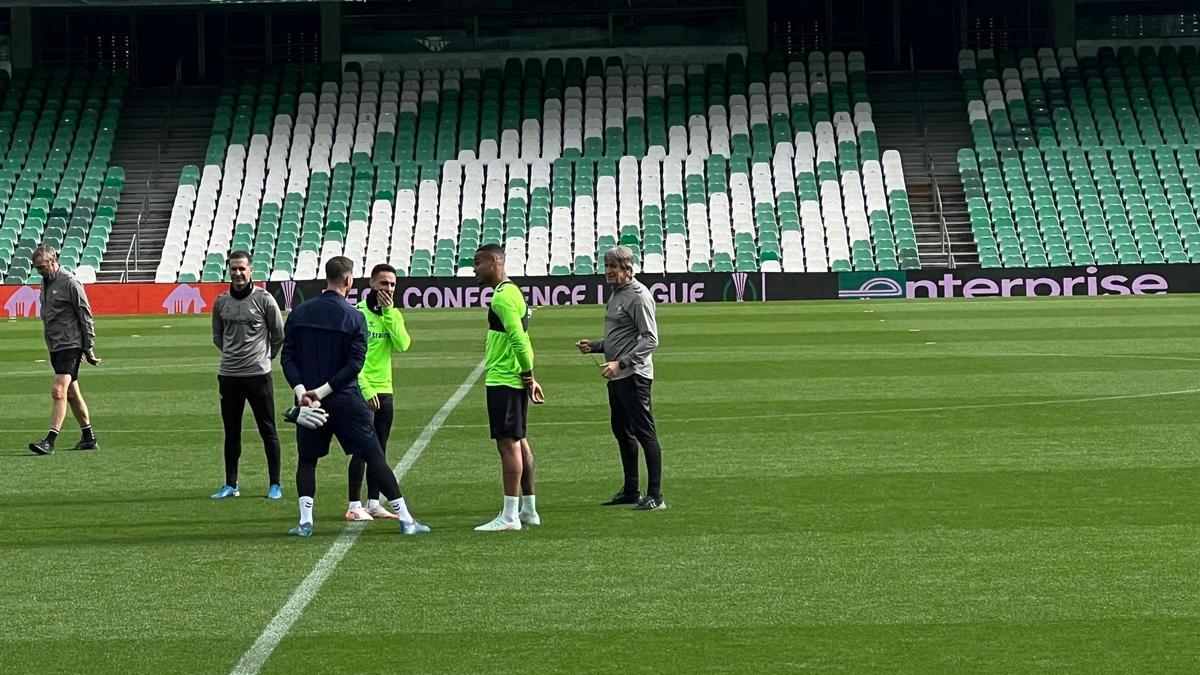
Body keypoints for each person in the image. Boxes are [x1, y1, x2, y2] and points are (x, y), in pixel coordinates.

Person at [279, 256, 428, 537]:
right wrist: (323, 390)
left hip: (311, 404)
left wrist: (303, 393)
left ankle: (305, 521)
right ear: (349, 280)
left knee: (307, 460)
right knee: (374, 454)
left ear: (327, 276)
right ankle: (406, 518)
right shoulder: (354, 316)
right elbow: (354, 364)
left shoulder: (299, 313)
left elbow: (288, 358)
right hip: (345, 399)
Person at [575, 245, 666, 510]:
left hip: (634, 375)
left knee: (644, 432)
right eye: (606, 266)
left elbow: (650, 339)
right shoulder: (616, 294)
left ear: (627, 268)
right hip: (618, 376)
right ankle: (631, 489)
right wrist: (595, 345)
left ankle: (656, 496)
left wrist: (621, 362)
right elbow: (620, 337)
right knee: (622, 431)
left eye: (613, 267)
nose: (608, 272)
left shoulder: (638, 296)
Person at [472, 244, 544, 532]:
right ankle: (528, 510)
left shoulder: (502, 297)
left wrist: (528, 376)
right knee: (520, 440)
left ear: (493, 261)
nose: (474, 270)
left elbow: (519, 338)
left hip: (505, 378)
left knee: (508, 443)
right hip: (511, 376)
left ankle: (510, 516)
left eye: (478, 263)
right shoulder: (513, 291)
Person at [210, 251, 286, 500]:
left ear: (251, 270)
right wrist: (234, 356)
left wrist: (264, 358)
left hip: (258, 375)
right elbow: (218, 336)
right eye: (233, 269)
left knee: (268, 430)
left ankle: (275, 484)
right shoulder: (221, 302)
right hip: (229, 375)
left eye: (242, 268)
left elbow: (278, 335)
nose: (238, 273)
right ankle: (231, 484)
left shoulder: (264, 299)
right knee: (231, 431)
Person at [345, 263, 412, 522]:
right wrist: (364, 388)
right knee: (361, 449)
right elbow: (350, 357)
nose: (389, 288)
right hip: (362, 390)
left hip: (385, 389)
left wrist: (388, 313)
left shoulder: (391, 314)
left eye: (393, 284)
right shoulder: (357, 313)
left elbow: (403, 344)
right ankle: (353, 504)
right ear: (372, 283)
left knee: (379, 450)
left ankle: (373, 503)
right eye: (384, 283)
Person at [28, 244, 100, 455]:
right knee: (71, 394)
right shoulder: (46, 282)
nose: (39, 271)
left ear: (53, 261)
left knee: (58, 390)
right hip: (55, 346)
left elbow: (85, 315)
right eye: (36, 268)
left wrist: (88, 347)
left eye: (41, 267)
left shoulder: (70, 282)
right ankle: (89, 437)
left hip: (71, 345)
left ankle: (50, 441)